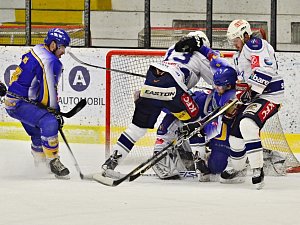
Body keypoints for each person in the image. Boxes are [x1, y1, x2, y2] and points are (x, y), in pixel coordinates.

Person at [94, 31, 214, 180]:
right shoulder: (200, 56)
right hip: (173, 87)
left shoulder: (172, 48)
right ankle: (201, 169)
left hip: (151, 81)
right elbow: (217, 82)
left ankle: (109, 164)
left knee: (136, 129)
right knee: (195, 124)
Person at [218, 19, 284, 189]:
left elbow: (265, 70)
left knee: (248, 124)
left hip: (270, 95)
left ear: (245, 35)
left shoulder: (254, 44)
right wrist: (239, 97)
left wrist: (252, 92)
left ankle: (257, 169)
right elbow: (243, 81)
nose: (234, 43)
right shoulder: (238, 55)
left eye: (236, 39)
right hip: (255, 97)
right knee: (235, 138)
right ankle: (238, 167)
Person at [4, 28, 71, 178]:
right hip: (20, 103)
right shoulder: (50, 61)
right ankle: (53, 161)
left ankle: (40, 165)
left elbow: (35, 85)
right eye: (62, 47)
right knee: (49, 121)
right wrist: (55, 111)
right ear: (53, 45)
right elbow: (48, 92)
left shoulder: (38, 49)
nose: (64, 52)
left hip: (13, 101)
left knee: (36, 131)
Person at [153, 65, 238, 181]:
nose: (216, 87)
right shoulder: (206, 97)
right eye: (215, 84)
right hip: (208, 130)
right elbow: (179, 107)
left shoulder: (233, 97)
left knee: (216, 168)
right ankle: (180, 153)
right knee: (181, 119)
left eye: (219, 85)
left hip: (223, 135)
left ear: (229, 85)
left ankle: (244, 157)